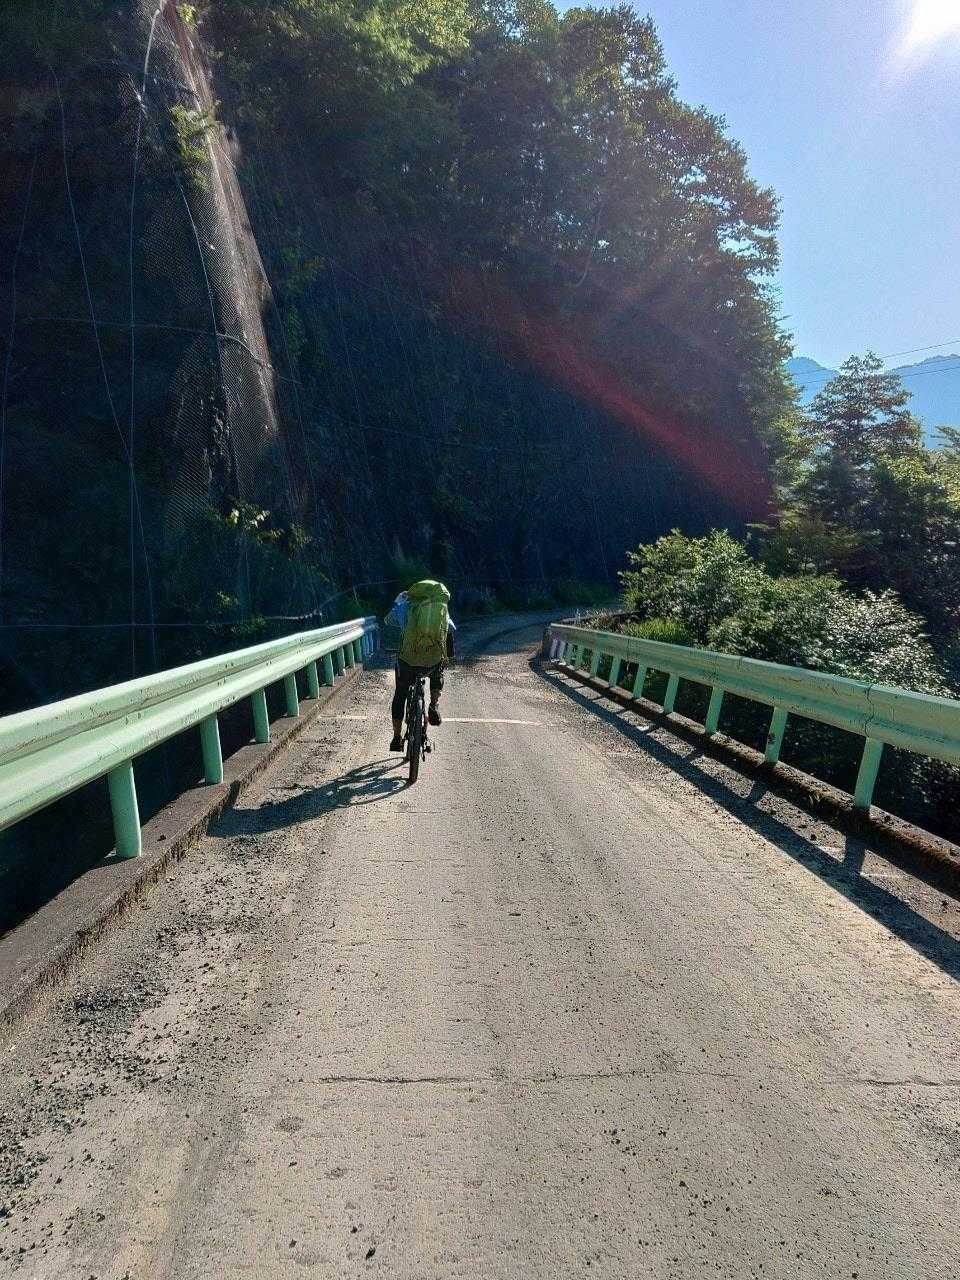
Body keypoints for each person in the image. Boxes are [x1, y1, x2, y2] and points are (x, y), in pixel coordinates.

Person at [385, 579, 456, 752]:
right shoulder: (440, 609)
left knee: (400, 695)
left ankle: (396, 738)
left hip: (408, 661)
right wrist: (448, 656)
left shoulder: (406, 607)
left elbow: (388, 621)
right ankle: (433, 705)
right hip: (432, 662)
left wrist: (398, 602)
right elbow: (451, 629)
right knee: (438, 669)